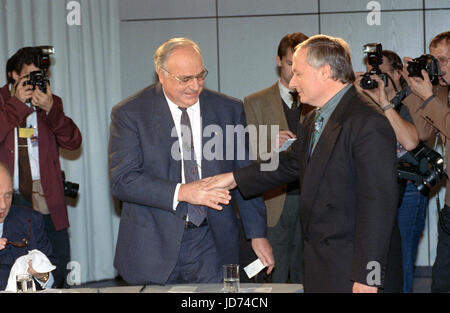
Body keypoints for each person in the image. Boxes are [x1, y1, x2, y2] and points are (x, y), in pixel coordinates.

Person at [205, 34, 403, 293]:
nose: (292, 82)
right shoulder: (315, 118)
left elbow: (379, 206)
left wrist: (368, 277)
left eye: (298, 73)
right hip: (325, 264)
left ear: (325, 72)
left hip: (355, 271)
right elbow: (288, 162)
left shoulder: (367, 122)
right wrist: (233, 178)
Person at [109, 37, 274, 286]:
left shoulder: (228, 109)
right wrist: (184, 192)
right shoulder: (130, 113)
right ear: (161, 73)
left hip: (212, 241)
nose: (195, 86)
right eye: (184, 79)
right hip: (153, 244)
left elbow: (244, 173)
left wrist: (257, 233)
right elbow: (123, 180)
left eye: (200, 76)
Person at [0, 47, 82, 288]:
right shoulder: (3, 101)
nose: (36, 83)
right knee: (15, 265)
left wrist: (51, 110)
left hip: (47, 195)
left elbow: (73, 141)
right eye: (29, 77)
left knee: (55, 263)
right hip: (9, 199)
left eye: (40, 76)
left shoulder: (50, 101)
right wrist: (16, 105)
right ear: (13, 75)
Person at [355, 50, 428, 293]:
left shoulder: (412, 100)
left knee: (401, 257)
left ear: (398, 74)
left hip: (407, 188)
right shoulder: (365, 104)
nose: (374, 79)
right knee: (378, 256)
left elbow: (410, 141)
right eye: (369, 74)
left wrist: (384, 102)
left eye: (380, 74)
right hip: (376, 189)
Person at [243, 32, 312, 284]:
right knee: (275, 275)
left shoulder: (318, 100)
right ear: (278, 61)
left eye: (302, 64)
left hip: (310, 199)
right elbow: (244, 153)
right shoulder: (254, 102)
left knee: (310, 273)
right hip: (274, 200)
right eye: (290, 63)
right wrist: (269, 144)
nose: (295, 70)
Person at [402, 30, 450, 293]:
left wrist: (430, 98)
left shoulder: (438, 97)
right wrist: (416, 89)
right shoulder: (441, 92)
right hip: (449, 205)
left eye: (442, 59)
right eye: (433, 59)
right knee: (441, 280)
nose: (437, 66)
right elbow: (420, 133)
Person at [0, 162, 56, 290]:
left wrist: (42, 275)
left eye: (8, 195)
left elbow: (56, 275)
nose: (3, 205)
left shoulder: (30, 221)